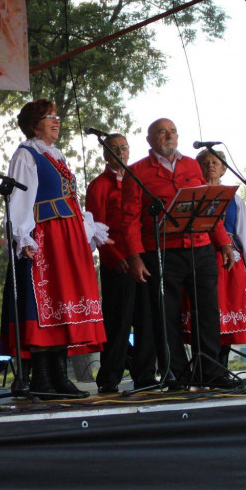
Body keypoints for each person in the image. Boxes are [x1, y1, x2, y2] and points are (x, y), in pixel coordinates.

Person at [1, 98, 108, 397]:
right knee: (46, 304)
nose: (55, 120)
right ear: (34, 124)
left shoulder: (56, 156)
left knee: (62, 304)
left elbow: (71, 200)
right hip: (45, 237)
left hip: (67, 235)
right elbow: (20, 200)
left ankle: (59, 377)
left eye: (56, 115)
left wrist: (89, 231)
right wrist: (24, 238)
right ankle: (42, 378)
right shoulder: (27, 155)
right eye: (48, 116)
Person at [121, 118, 237, 390]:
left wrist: (223, 243)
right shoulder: (136, 171)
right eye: (162, 132)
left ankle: (212, 371)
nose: (169, 136)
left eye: (173, 131)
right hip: (161, 253)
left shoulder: (192, 165)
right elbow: (128, 220)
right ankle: (177, 375)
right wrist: (135, 256)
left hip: (201, 248)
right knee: (166, 316)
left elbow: (210, 207)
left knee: (207, 313)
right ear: (150, 140)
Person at [84, 133, 155, 394]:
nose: (120, 152)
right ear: (105, 154)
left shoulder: (137, 180)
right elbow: (96, 227)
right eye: (114, 149)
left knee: (146, 319)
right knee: (118, 321)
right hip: (120, 262)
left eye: (123, 147)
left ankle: (146, 375)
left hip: (144, 258)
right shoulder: (98, 186)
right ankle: (109, 377)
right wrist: (115, 258)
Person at [184, 150, 246, 364]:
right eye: (204, 163)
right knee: (202, 311)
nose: (210, 166)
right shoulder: (191, 194)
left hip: (228, 261)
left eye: (215, 162)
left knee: (226, 312)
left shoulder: (235, 199)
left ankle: (220, 364)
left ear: (223, 168)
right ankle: (201, 364)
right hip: (199, 257)